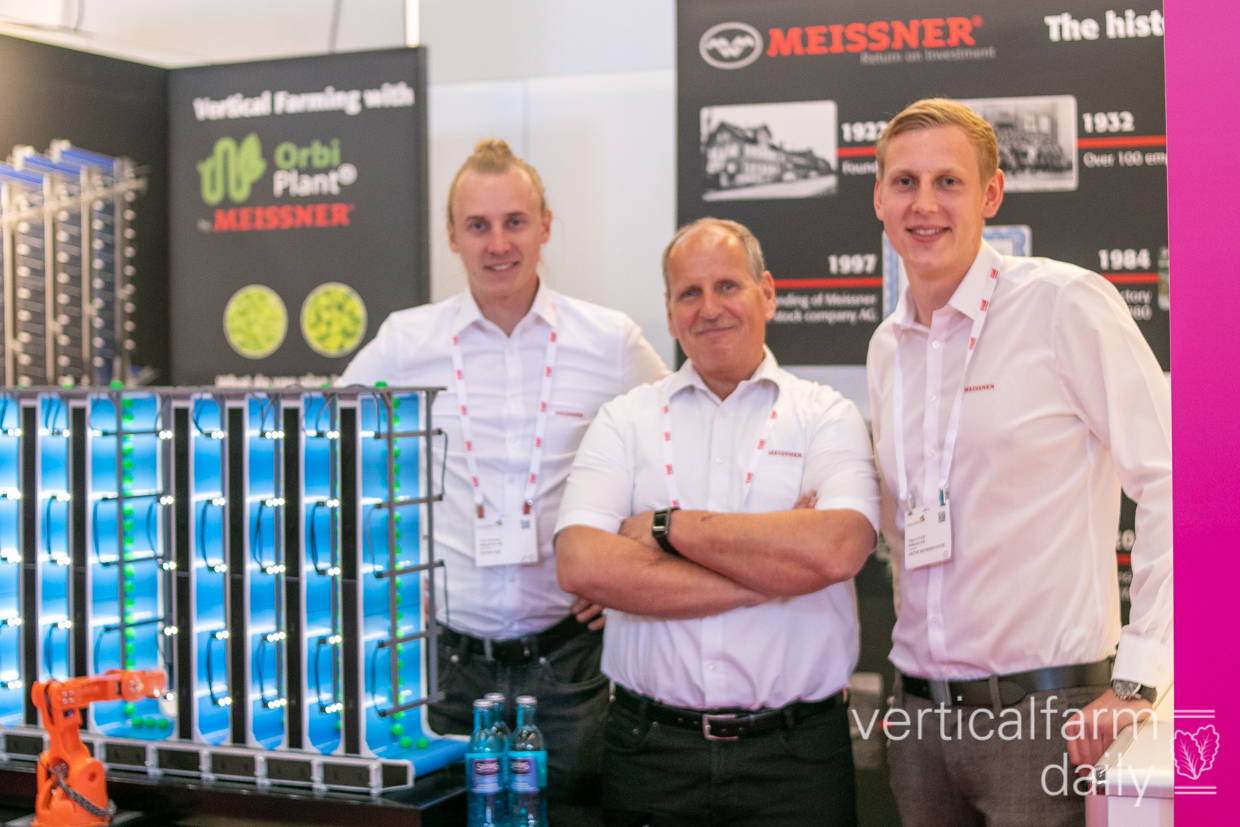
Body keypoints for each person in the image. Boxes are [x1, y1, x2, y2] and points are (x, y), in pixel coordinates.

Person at [340, 139, 668, 826]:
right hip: (443, 668)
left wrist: (633, 560)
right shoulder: (406, 342)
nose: (498, 244)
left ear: (545, 225)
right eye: (478, 225)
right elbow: (328, 446)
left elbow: (679, 446)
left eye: (515, 222)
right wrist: (385, 568)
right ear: (452, 236)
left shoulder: (608, 340)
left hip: (570, 666)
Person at [867, 98, 1172, 826]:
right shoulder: (887, 347)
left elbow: (1174, 481)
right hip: (918, 719)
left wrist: (1139, 679)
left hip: (1048, 715)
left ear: (992, 193)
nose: (924, 204)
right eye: (905, 182)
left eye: (948, 181)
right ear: (879, 198)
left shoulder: (1064, 304)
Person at [554, 217, 880, 827]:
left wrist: (664, 529)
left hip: (798, 759)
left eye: (727, 286)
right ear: (670, 312)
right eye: (690, 293)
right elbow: (582, 564)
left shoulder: (826, 416)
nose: (709, 309)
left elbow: (836, 550)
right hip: (650, 752)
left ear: (768, 294)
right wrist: (776, 572)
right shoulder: (624, 420)